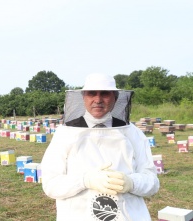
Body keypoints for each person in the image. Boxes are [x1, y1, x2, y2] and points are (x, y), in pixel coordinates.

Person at [41, 73, 160, 221]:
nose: (98, 100)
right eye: (92, 93)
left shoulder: (132, 133)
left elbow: (152, 182)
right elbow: (51, 184)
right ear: (83, 97)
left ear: (115, 98)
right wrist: (85, 180)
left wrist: (131, 182)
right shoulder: (65, 134)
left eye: (105, 94)